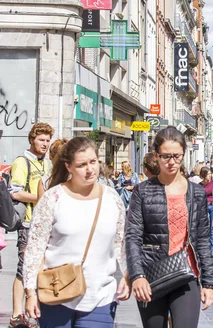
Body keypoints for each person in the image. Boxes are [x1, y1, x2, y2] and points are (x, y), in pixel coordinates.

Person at [22, 137, 130, 327]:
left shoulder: (112, 199)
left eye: (93, 162)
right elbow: (35, 249)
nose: (90, 170)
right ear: (69, 167)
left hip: (100, 296)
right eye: (82, 165)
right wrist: (30, 292)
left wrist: (129, 275)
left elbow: (120, 243)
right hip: (56, 294)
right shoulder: (53, 198)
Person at [126, 126, 213, 327]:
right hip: (151, 275)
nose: (172, 161)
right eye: (166, 156)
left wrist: (209, 283)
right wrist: (137, 276)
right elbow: (132, 237)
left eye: (177, 156)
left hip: (186, 273)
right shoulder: (143, 192)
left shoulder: (196, 193)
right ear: (156, 156)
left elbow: (202, 239)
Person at [10, 122, 54, 328]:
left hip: (43, 224)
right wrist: (40, 198)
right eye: (41, 140)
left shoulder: (46, 163)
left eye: (47, 140)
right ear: (31, 140)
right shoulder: (22, 162)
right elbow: (14, 191)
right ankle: (17, 314)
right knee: (23, 269)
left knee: (39, 269)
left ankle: (35, 310)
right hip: (27, 223)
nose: (45, 144)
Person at [199, 166, 213, 255]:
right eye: (208, 174)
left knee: (212, 229)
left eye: (210, 174)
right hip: (204, 207)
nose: (210, 176)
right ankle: (207, 248)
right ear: (203, 175)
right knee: (205, 228)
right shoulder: (200, 185)